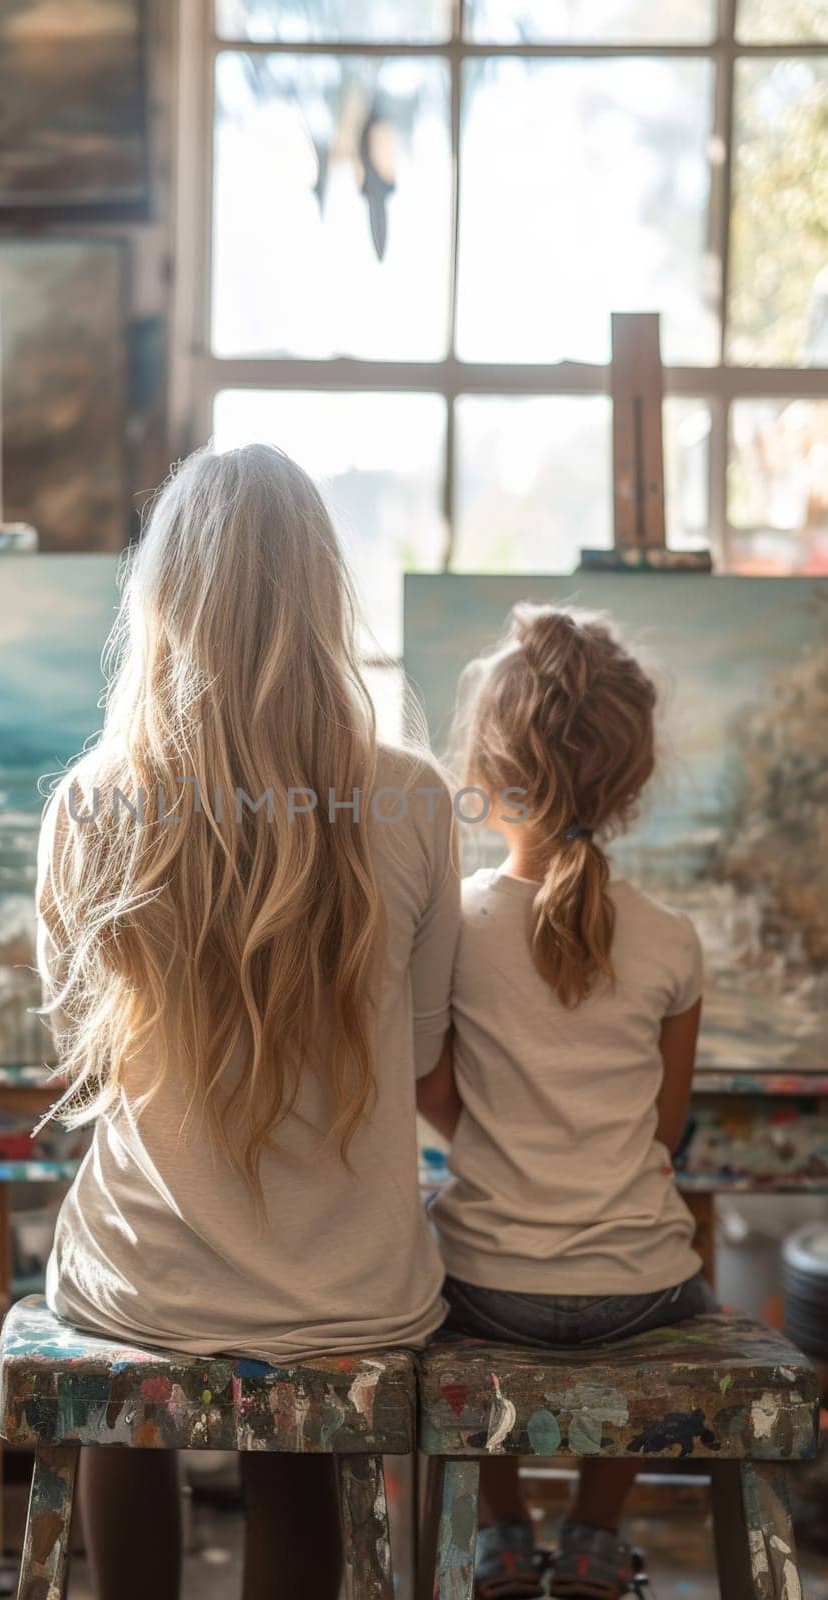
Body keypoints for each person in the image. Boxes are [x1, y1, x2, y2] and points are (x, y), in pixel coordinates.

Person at [35, 443, 460, 1599]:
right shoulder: (412, 796)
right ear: (321, 589)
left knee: (127, 1400)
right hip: (353, 1282)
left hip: (147, 1277)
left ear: (161, 594)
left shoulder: (92, 800)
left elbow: (72, 1032)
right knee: (300, 1440)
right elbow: (421, 1050)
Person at [417, 603, 716, 1600]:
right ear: (630, 779)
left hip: (485, 1288)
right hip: (638, 1293)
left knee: (424, 1265)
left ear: (487, 763)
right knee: (682, 1255)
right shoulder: (671, 938)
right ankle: (591, 1536)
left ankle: (501, 1537)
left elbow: (426, 1083)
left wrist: (493, 1142)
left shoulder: (455, 921)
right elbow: (661, 1133)